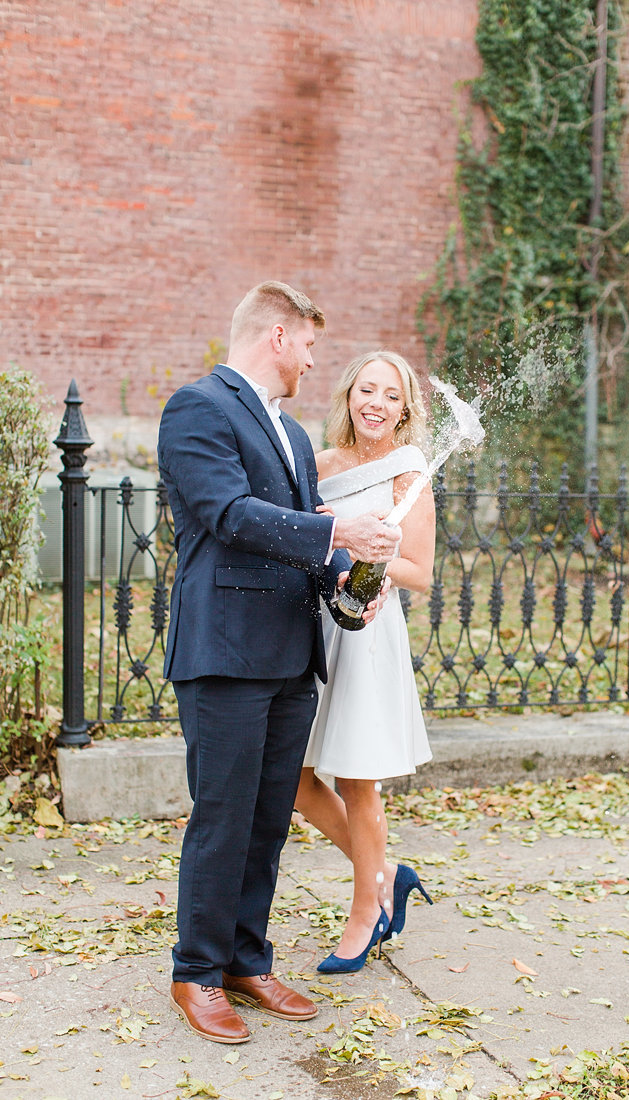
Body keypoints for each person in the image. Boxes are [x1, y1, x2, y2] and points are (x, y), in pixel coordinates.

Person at [157, 283, 401, 1043]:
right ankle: (195, 974)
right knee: (222, 818)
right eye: (307, 346)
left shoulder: (293, 437)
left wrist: (351, 587)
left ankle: (245, 961)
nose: (309, 361)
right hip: (223, 653)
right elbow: (227, 515)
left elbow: (308, 547)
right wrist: (336, 530)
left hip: (291, 659)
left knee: (267, 821)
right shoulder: (196, 408)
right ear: (274, 334)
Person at [295, 350, 436, 973]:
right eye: (366, 390)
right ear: (348, 395)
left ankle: (366, 915)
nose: (375, 403)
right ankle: (385, 871)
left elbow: (421, 573)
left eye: (390, 395)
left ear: (405, 408)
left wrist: (370, 563)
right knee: (293, 778)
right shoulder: (318, 465)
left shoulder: (410, 475)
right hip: (311, 625)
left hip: (367, 626)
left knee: (356, 780)